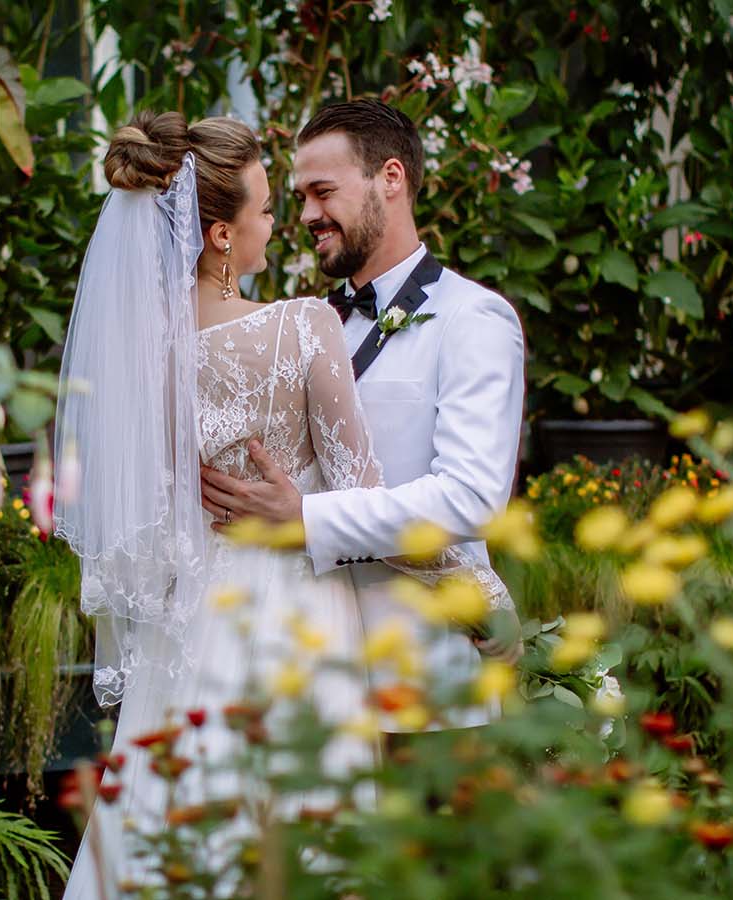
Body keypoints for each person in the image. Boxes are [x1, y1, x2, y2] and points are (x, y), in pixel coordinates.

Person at [199, 99, 527, 729]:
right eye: (299, 197)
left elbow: (471, 498)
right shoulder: (295, 327)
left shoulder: (473, 319)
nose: (306, 215)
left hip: (423, 681)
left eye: (322, 192)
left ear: (391, 178)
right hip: (305, 674)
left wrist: (305, 517)